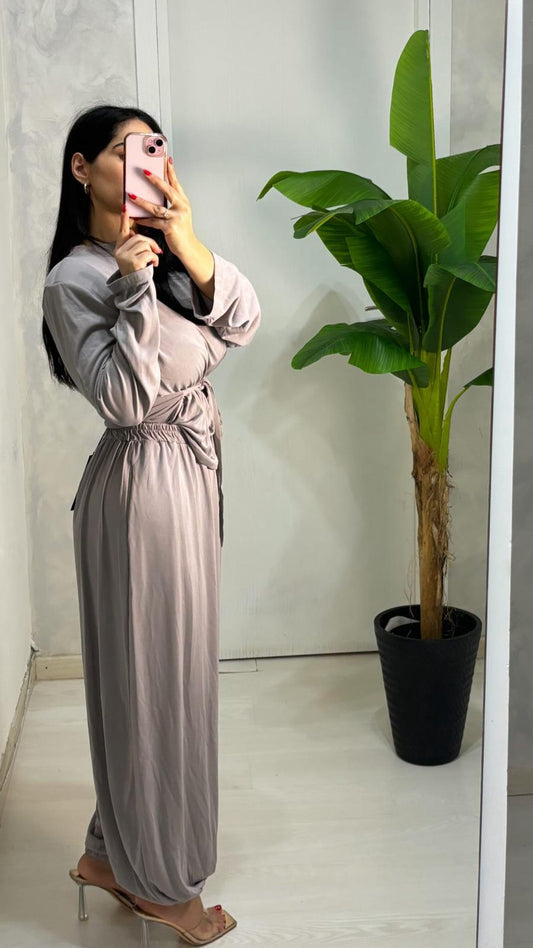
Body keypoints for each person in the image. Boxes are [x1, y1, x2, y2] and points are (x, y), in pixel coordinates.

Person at [41, 104, 261, 945]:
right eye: (127, 151)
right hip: (142, 489)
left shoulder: (164, 252)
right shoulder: (75, 279)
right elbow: (127, 402)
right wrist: (132, 289)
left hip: (186, 474)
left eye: (155, 150)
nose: (147, 164)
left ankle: (110, 852)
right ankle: (163, 886)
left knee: (168, 674)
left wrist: (187, 243)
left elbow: (243, 320)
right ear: (81, 167)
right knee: (153, 682)